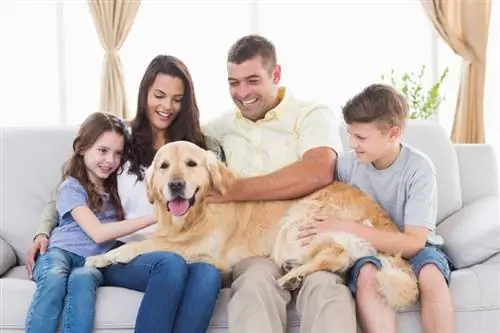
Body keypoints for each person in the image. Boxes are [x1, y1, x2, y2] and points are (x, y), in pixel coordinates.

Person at [26, 55, 222, 333]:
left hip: (182, 242)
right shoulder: (120, 137)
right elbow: (70, 185)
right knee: (169, 264)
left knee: (208, 275)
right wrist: (43, 231)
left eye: (177, 99)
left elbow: (219, 197)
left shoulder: (197, 147)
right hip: (124, 250)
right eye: (159, 95)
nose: (167, 106)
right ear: (144, 94)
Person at [203, 34, 357, 333]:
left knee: (326, 290)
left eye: (252, 80)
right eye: (234, 83)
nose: (242, 92)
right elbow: (172, 138)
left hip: (310, 239)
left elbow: (319, 170)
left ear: (276, 74)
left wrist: (236, 191)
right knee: (251, 288)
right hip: (256, 250)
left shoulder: (310, 114)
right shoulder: (219, 128)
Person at [299, 83, 454, 333]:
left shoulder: (418, 169)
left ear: (393, 134)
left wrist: (346, 227)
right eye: (349, 134)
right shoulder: (346, 166)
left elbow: (414, 243)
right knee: (368, 274)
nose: (352, 144)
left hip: (414, 250)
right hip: (366, 252)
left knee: (431, 275)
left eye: (360, 137)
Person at [26, 112, 158, 333]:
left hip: (93, 261)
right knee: (54, 280)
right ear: (82, 147)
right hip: (61, 252)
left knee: (83, 280)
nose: (110, 161)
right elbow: (97, 233)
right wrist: (154, 218)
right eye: (102, 151)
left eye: (117, 153)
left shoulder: (118, 187)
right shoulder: (72, 187)